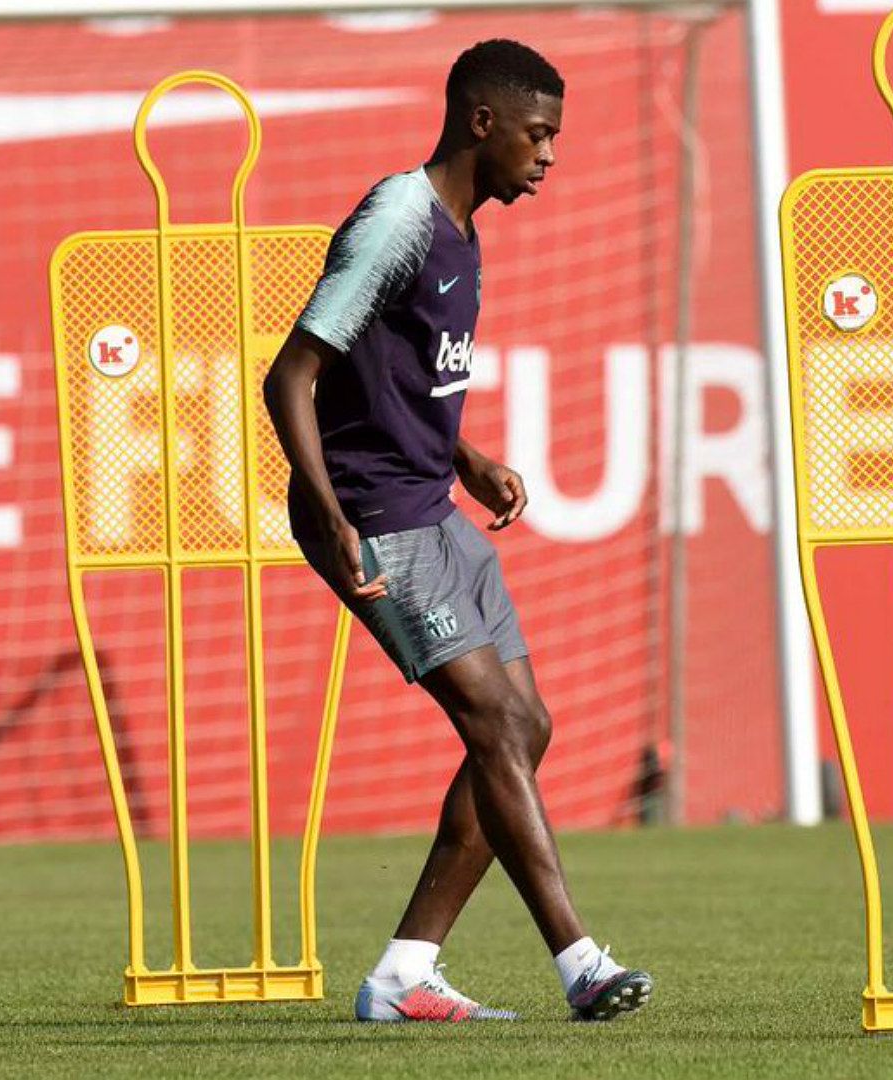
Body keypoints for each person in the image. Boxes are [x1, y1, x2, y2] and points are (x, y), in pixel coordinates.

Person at [262, 38, 652, 1024]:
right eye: (540, 132)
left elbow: (388, 380)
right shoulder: (397, 218)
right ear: (484, 122)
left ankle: (404, 973)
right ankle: (581, 962)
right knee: (494, 727)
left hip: (432, 504)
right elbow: (291, 375)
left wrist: (466, 455)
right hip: (380, 520)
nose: (550, 154)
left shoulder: (461, 231)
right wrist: (332, 513)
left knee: (526, 728)